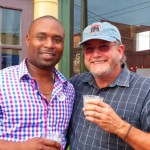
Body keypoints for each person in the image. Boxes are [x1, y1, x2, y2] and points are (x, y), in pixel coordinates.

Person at [68, 21, 150, 150]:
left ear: (120, 51)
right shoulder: (76, 84)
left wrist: (119, 126)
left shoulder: (145, 89)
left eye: (104, 47)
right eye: (89, 49)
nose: (96, 54)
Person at [0, 15, 75, 150]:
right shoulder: (3, 82)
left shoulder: (68, 89)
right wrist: (20, 147)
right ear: (28, 39)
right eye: (41, 37)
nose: (49, 45)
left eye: (57, 40)